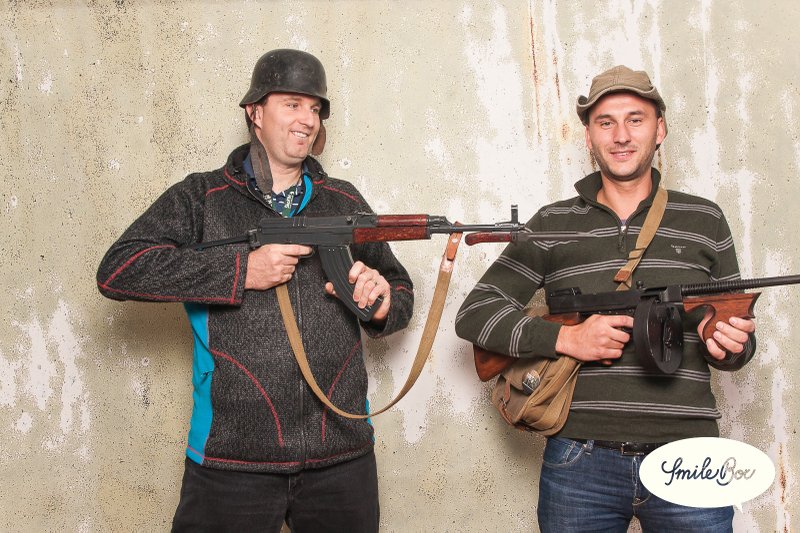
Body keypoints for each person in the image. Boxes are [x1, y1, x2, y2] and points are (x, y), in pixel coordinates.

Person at [97, 49, 413, 532]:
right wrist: (240, 270)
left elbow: (399, 287)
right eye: (292, 104)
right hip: (230, 459)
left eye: (315, 108)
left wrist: (384, 303)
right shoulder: (201, 197)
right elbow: (120, 269)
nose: (307, 120)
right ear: (255, 112)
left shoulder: (344, 198)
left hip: (342, 454)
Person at [455, 65, 756, 531]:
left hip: (691, 459)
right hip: (580, 462)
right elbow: (475, 313)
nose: (621, 136)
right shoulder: (551, 223)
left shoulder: (705, 219)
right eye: (605, 122)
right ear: (589, 138)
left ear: (660, 130)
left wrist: (731, 345)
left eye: (636, 119)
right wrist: (567, 340)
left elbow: (738, 343)